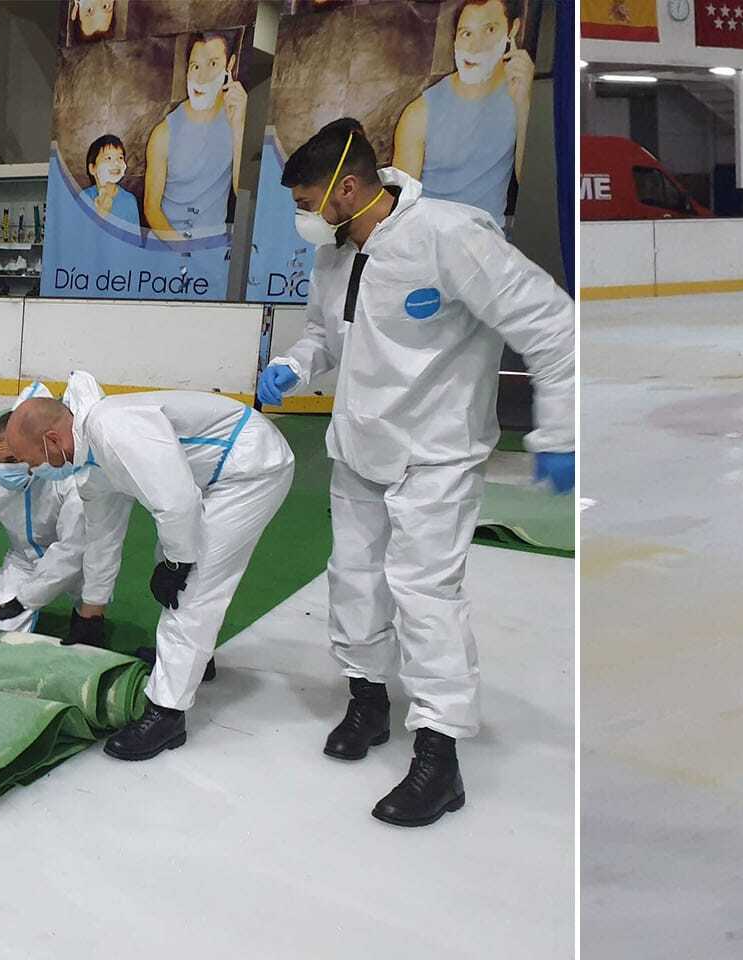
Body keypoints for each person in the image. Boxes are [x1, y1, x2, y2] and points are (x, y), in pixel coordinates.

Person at [257, 118, 574, 827]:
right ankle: (367, 700)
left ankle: (439, 751)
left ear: (347, 188)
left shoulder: (450, 237)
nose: (303, 218)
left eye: (307, 203)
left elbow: (553, 325)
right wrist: (294, 365)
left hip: (436, 453)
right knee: (354, 581)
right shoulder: (337, 253)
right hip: (359, 446)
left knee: (427, 598)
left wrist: (560, 429)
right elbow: (325, 334)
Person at [6, 371, 294, 761]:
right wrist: (91, 612)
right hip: (211, 476)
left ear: (52, 440)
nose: (32, 469)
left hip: (250, 467)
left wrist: (179, 564)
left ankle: (166, 714)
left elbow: (177, 503)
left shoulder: (112, 429)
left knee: (193, 586)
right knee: (174, 556)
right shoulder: (90, 460)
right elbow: (102, 537)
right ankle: (196, 661)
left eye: (31, 460)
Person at [0, 392, 104, 642]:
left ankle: (87, 619)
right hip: (24, 559)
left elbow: (73, 549)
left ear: (31, 451)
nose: (3, 468)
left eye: (12, 459)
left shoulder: (67, 475)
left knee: (90, 614)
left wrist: (23, 601)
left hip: (79, 560)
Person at [392, 0, 533, 226]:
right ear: (455, 40)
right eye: (466, 34)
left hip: (485, 238)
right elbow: (401, 206)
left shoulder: (520, 95)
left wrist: (525, 104)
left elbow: (532, 185)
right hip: (427, 236)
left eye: (489, 30)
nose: (475, 47)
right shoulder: (419, 112)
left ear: (512, 30)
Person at [143, 31, 246, 243]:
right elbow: (151, 208)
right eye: (195, 66)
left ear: (229, 65)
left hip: (213, 247)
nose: (202, 77)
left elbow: (243, 191)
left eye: (213, 64)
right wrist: (182, 250)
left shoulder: (237, 118)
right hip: (168, 245)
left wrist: (239, 126)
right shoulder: (163, 133)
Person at [81, 134, 143, 235]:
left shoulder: (129, 201)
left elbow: (133, 241)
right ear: (92, 168)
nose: (116, 163)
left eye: (120, 157)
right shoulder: (84, 198)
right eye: (108, 158)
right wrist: (100, 216)